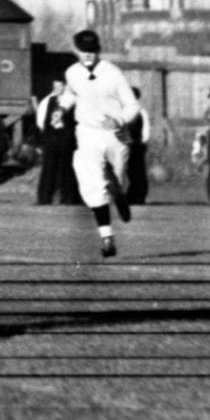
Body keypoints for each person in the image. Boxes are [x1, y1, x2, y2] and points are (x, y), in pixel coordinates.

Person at [64, 30, 141, 257]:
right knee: (92, 182)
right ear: (76, 50)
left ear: (97, 50)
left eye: (91, 51)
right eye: (83, 51)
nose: (87, 55)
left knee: (117, 178)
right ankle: (107, 237)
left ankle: (120, 194)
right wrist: (61, 108)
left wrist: (118, 120)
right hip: (87, 132)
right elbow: (71, 93)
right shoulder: (72, 73)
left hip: (114, 134)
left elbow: (132, 106)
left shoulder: (113, 74)